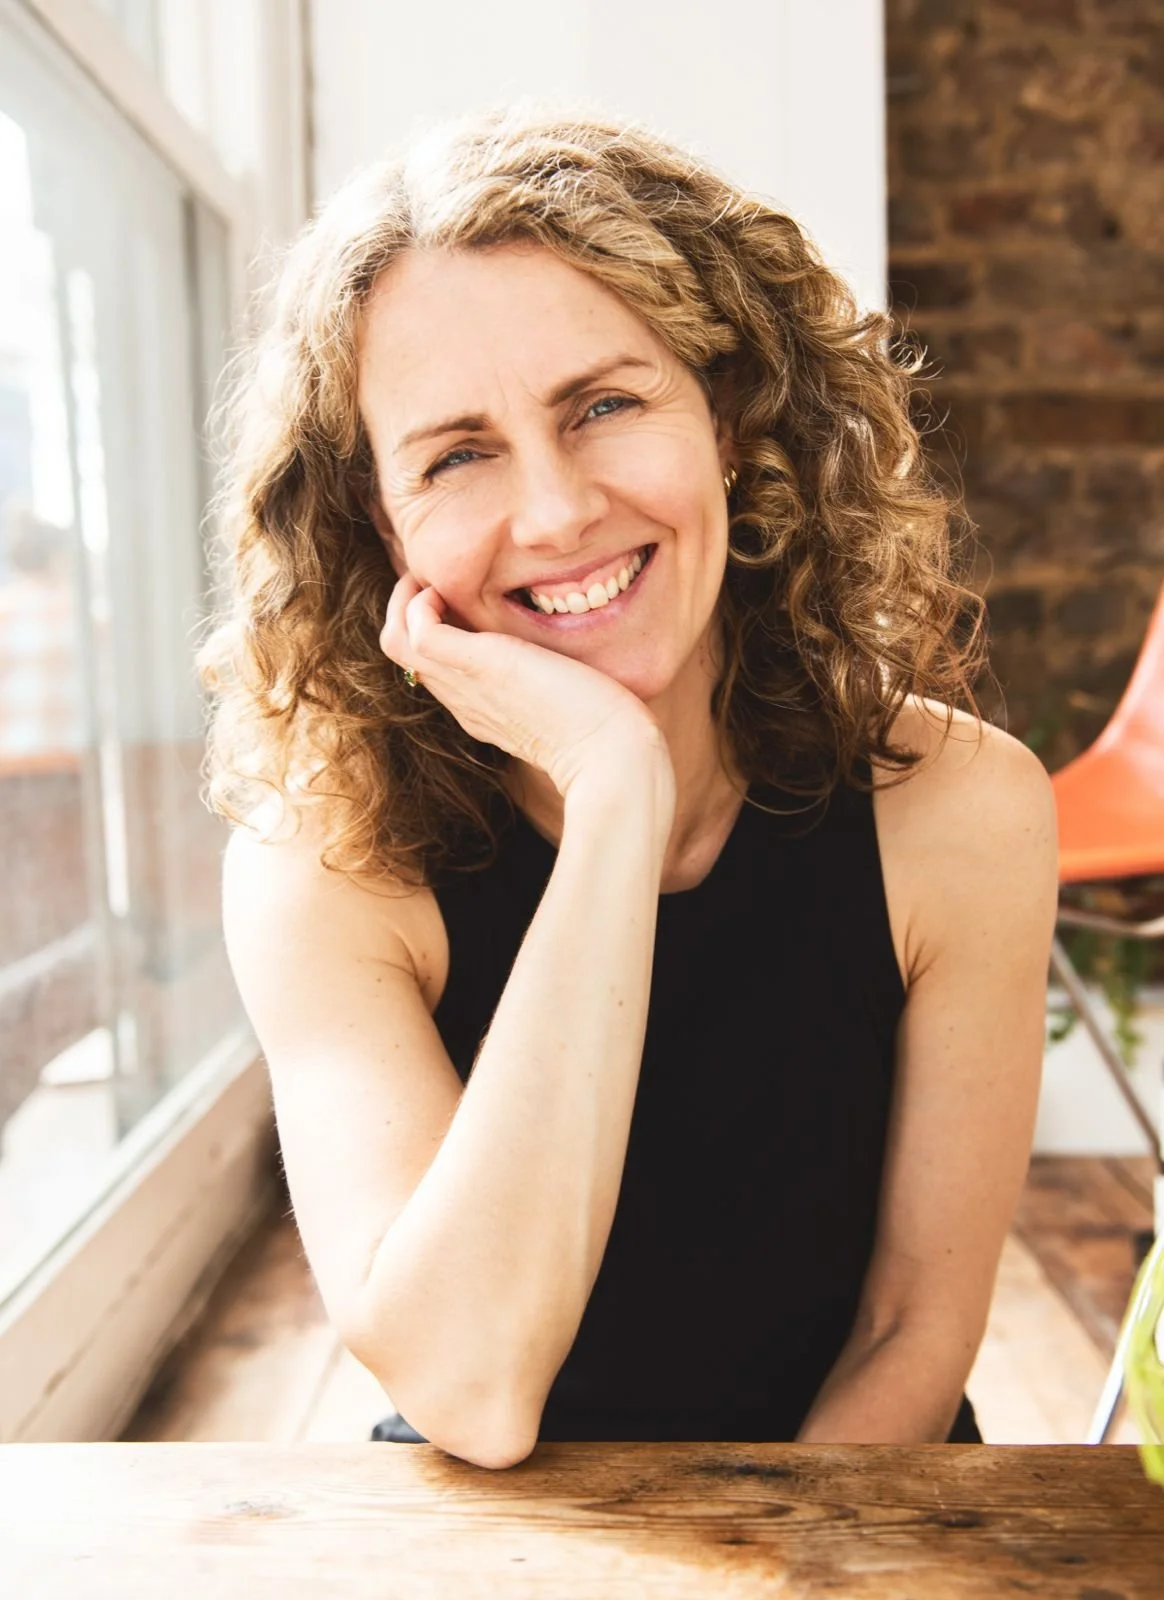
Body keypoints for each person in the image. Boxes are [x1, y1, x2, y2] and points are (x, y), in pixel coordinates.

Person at [199, 107, 1058, 1469]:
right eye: (458, 454)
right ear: (384, 522)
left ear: (725, 419)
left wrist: (780, 1568)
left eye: (604, 405)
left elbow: (908, 1333)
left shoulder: (963, 812)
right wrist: (613, 790)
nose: (554, 515)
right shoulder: (323, 868)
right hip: (491, 1537)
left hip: (853, 1508)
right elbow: (471, 1391)